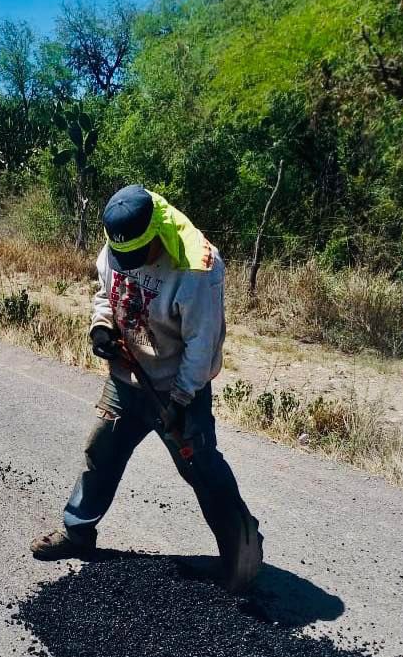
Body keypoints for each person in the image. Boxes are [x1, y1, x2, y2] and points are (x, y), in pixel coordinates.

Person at [31, 184, 263, 593]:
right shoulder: (117, 243)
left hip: (178, 386)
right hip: (128, 376)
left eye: (139, 255)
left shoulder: (197, 268)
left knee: (201, 469)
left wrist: (180, 400)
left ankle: (242, 557)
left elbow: (202, 346)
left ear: (157, 232)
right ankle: (78, 532)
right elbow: (106, 293)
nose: (130, 263)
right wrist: (101, 328)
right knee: (101, 452)